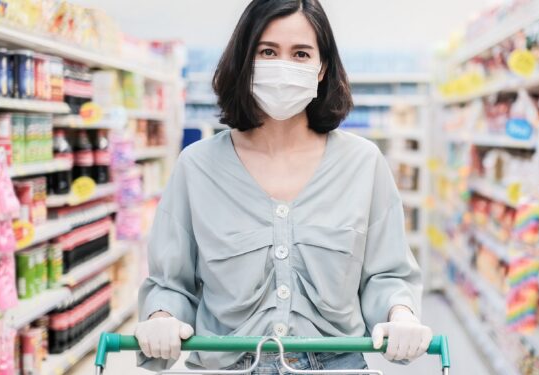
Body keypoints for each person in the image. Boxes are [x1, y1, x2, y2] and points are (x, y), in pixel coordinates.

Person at [133, 0, 431, 372]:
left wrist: (400, 314)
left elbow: (386, 274)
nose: (283, 66)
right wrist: (161, 316)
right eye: (268, 51)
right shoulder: (197, 167)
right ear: (245, 60)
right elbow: (169, 282)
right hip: (227, 365)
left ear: (322, 68)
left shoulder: (363, 164)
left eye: (301, 53)